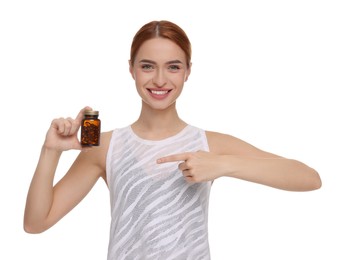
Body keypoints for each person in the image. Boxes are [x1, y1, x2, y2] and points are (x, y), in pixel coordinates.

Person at [24, 20, 322, 260]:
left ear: (188, 71)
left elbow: (309, 178)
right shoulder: (104, 147)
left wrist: (222, 164)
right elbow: (36, 223)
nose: (160, 80)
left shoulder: (210, 144)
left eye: (174, 67)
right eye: (148, 66)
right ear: (132, 69)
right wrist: (51, 151)